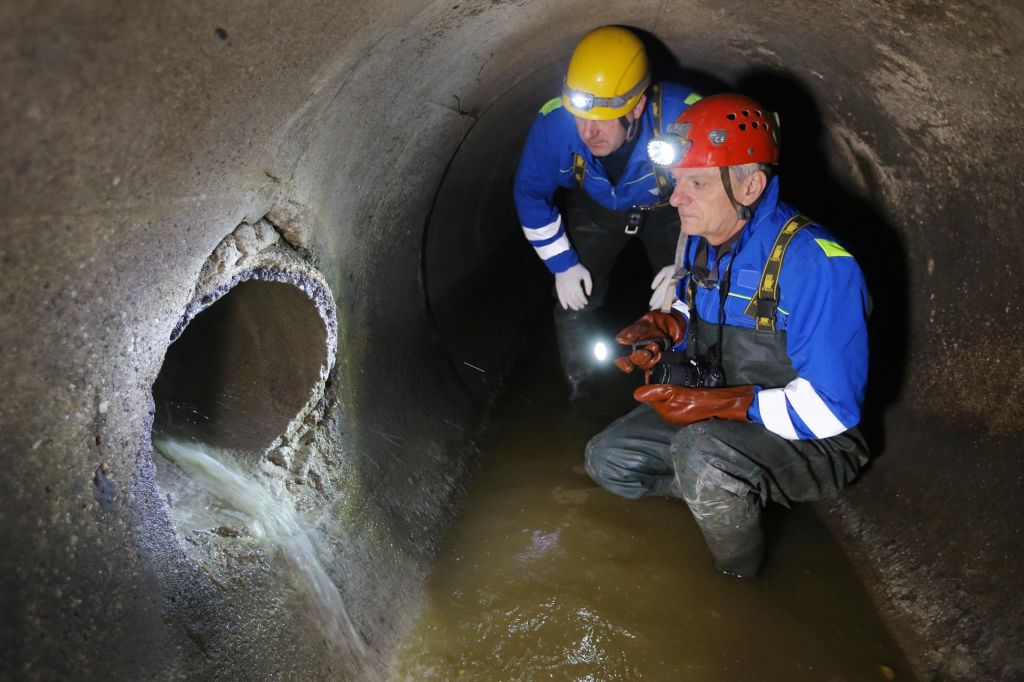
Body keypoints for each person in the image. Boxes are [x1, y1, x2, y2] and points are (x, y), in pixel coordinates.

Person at [584, 93, 870, 578]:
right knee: (607, 459)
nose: (675, 200)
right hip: (724, 420)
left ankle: (740, 576)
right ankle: (725, 493)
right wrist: (669, 328)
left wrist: (720, 406)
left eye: (696, 183)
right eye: (677, 182)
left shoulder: (817, 265)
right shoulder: (706, 238)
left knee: (702, 454)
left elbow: (830, 409)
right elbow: (696, 308)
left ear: (752, 185)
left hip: (820, 440)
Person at [513, 25, 701, 400]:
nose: (588, 131)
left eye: (602, 118)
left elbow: (727, 200)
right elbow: (531, 194)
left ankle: (682, 387)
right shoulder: (556, 124)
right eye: (582, 116)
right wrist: (562, 264)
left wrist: (691, 260)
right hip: (595, 210)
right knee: (573, 302)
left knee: (687, 299)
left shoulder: (688, 117)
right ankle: (579, 393)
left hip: (673, 213)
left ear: (637, 107)